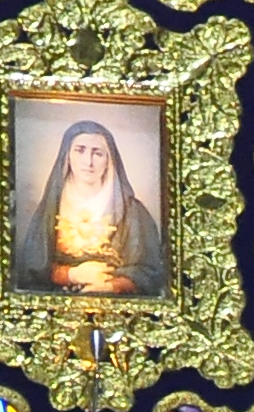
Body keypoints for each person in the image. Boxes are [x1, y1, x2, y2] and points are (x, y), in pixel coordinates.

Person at [15, 118, 166, 296]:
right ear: (67, 156)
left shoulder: (133, 212)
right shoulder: (50, 209)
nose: (88, 161)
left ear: (109, 160)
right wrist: (72, 275)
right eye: (80, 151)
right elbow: (29, 269)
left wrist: (112, 286)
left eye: (98, 153)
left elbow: (150, 272)